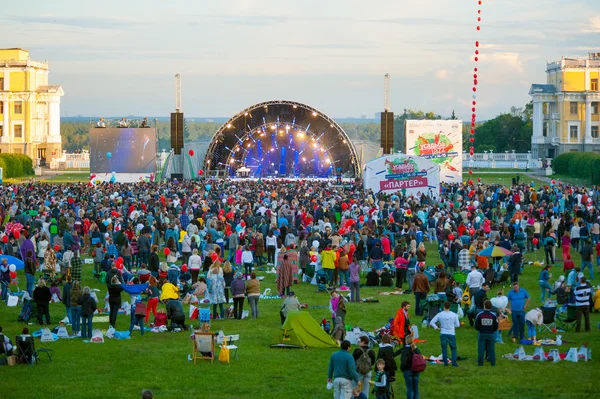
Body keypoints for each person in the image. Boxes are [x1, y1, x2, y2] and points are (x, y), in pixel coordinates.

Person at [429, 301, 460, 367]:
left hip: (443, 333)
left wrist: (436, 327)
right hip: (451, 333)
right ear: (450, 307)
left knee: (444, 349)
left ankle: (445, 363)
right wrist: (451, 326)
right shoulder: (454, 314)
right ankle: (454, 363)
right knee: (453, 348)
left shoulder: (440, 314)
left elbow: (432, 322)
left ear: (443, 307)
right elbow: (457, 325)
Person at [474, 300, 498, 366]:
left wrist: (480, 329)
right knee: (491, 349)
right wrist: (492, 330)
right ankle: (493, 362)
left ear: (484, 306)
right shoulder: (493, 315)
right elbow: (496, 326)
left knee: (481, 349)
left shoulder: (480, 315)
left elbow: (476, 325)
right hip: (490, 333)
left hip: (482, 333)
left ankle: (480, 363)